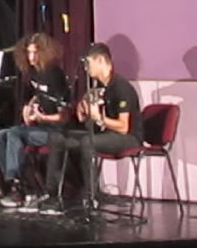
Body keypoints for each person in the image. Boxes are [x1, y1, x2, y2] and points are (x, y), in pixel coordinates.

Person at [41, 42, 143, 214]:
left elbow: (124, 127)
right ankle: (52, 195)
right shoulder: (98, 88)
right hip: (106, 134)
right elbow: (83, 118)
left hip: (128, 137)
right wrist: (83, 110)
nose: (86, 68)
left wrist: (99, 118)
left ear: (101, 61)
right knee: (58, 138)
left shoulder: (121, 87)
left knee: (88, 142)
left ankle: (92, 196)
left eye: (88, 63)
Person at [0, 33, 70, 208]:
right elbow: (39, 95)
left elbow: (63, 115)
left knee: (14, 133)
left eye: (35, 53)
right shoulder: (34, 73)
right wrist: (30, 105)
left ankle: (16, 188)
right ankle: (16, 182)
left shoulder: (55, 74)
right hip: (40, 128)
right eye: (28, 53)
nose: (31, 57)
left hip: (56, 131)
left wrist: (42, 117)